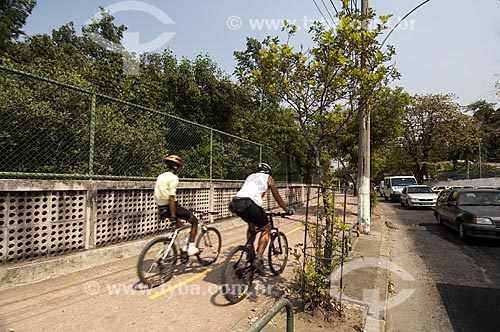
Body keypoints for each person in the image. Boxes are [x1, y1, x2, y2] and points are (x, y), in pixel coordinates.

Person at [229, 162, 293, 275]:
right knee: (266, 229)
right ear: (269, 172)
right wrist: (286, 210)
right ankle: (258, 259)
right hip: (250, 204)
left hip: (236, 203)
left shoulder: (250, 177)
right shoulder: (268, 178)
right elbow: (276, 196)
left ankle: (249, 250)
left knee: (251, 225)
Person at [154, 154, 199, 256]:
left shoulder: (161, 176)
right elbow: (171, 197)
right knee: (194, 221)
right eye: (179, 167)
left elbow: (158, 193)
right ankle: (191, 247)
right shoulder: (173, 178)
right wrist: (174, 215)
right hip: (171, 206)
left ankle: (168, 247)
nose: (180, 169)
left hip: (161, 207)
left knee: (179, 226)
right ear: (175, 166)